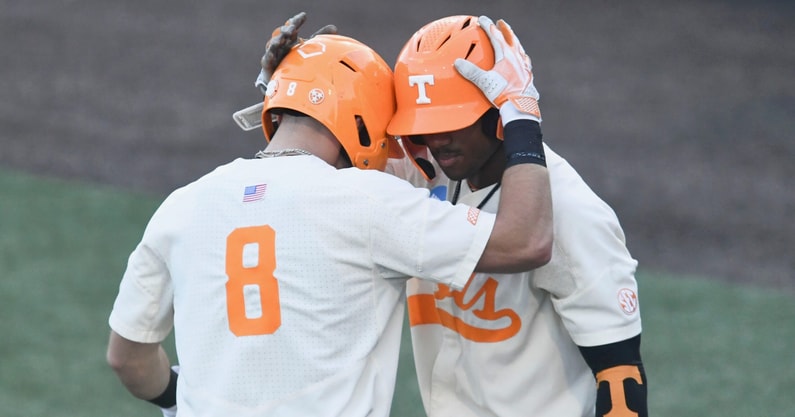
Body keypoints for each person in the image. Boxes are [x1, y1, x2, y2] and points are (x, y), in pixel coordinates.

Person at [106, 27, 553, 417]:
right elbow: (525, 242)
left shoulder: (181, 206)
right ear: (363, 126)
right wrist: (521, 116)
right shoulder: (367, 201)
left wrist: (176, 398)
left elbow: (127, 356)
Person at [256, 13, 648, 417]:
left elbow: (621, 381)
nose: (435, 139)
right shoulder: (419, 175)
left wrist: (525, 118)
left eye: (452, 121)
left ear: (501, 113)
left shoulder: (568, 210)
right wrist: (292, 97)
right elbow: (317, 180)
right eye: (423, 124)